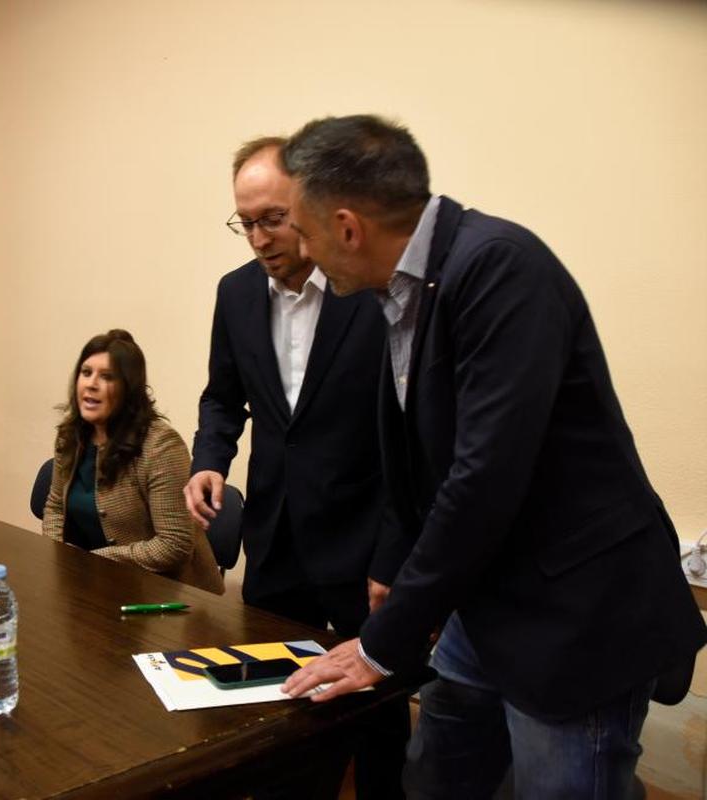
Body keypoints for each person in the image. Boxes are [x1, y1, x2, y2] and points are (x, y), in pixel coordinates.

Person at [278, 115, 707, 799]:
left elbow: (484, 475)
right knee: (439, 776)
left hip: (575, 618)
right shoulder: (402, 290)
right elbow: (425, 455)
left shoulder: (500, 266)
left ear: (348, 226)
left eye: (302, 230)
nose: (300, 250)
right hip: (487, 606)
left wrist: (382, 642)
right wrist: (398, 567)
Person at [183, 137, 408, 799]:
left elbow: (409, 440)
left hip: (360, 545)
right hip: (276, 538)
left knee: (377, 716)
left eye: (272, 218)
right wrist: (209, 461)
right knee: (277, 705)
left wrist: (394, 556)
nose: (258, 237)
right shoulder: (235, 295)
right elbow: (223, 397)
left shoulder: (371, 294)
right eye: (245, 222)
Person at [43, 330, 224, 594]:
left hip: (167, 599)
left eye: (106, 377)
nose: (91, 384)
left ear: (129, 388)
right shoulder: (71, 435)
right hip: (93, 585)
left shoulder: (161, 446)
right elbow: (55, 507)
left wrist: (90, 561)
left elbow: (174, 545)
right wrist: (60, 555)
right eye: (86, 372)